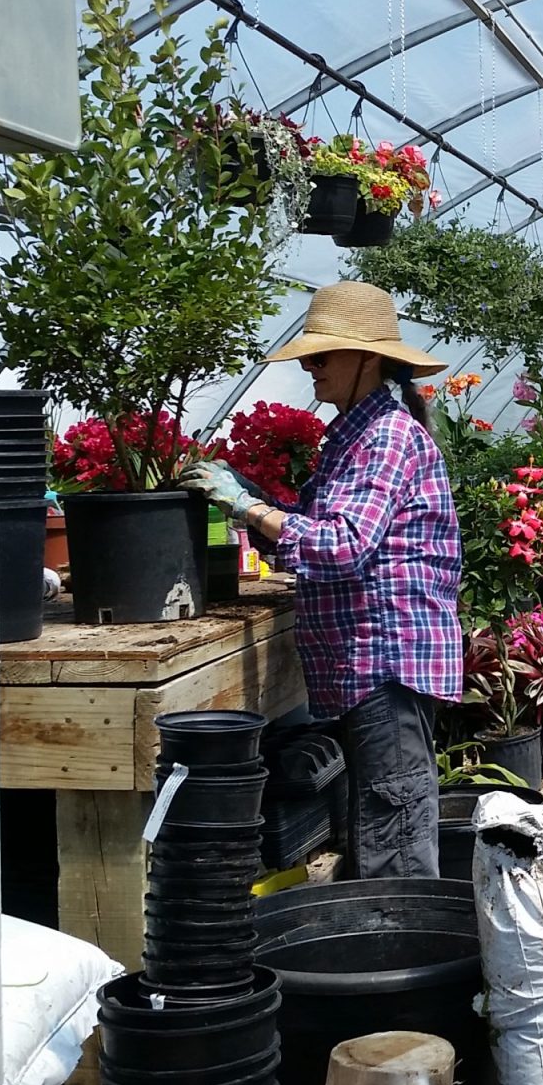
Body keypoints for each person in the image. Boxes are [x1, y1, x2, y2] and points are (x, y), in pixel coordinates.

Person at [182, 281, 461, 878]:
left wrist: (245, 508)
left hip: (386, 667)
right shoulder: (355, 436)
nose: (309, 367)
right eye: (307, 356)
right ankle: (385, 948)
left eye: (320, 355)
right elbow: (320, 530)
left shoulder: (385, 437)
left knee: (395, 840)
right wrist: (256, 500)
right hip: (367, 669)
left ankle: (409, 959)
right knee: (379, 828)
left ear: (368, 358)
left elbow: (342, 544)